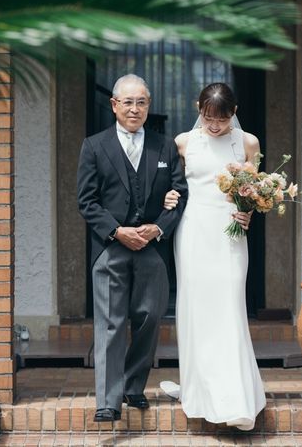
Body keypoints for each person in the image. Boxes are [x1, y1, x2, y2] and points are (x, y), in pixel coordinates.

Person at [77, 74, 188, 423]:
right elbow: (87, 201)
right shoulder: (94, 146)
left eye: (141, 102)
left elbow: (180, 195)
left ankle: (133, 385)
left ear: (148, 105)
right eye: (128, 102)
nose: (134, 109)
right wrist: (117, 231)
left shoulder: (164, 146)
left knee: (149, 318)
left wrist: (158, 227)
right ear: (114, 105)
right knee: (110, 323)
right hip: (110, 248)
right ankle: (107, 401)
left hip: (152, 247)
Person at [162, 82, 266, 431]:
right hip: (194, 231)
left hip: (229, 233)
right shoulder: (183, 142)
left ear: (234, 113)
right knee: (196, 309)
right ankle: (198, 389)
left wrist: (248, 211)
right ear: (199, 109)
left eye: (222, 119)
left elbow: (255, 190)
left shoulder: (247, 142)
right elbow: (169, 184)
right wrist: (167, 197)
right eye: (208, 118)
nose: (215, 126)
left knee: (229, 306)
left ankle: (236, 398)